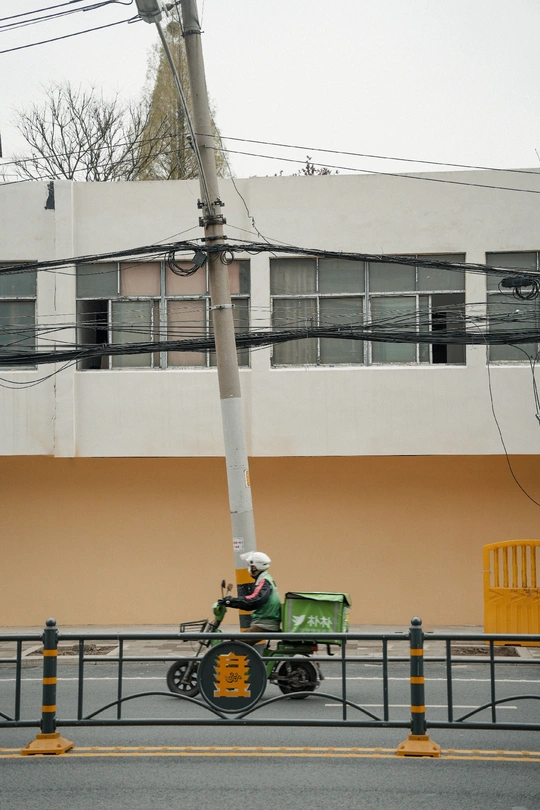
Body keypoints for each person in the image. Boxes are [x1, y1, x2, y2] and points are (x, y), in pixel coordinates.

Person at [219, 551, 281, 634]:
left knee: (236, 644)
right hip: (264, 622)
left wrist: (231, 601)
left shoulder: (264, 581)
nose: (248, 568)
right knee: (237, 643)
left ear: (254, 567)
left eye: (249, 565)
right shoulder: (265, 579)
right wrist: (232, 601)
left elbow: (254, 600)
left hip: (264, 624)